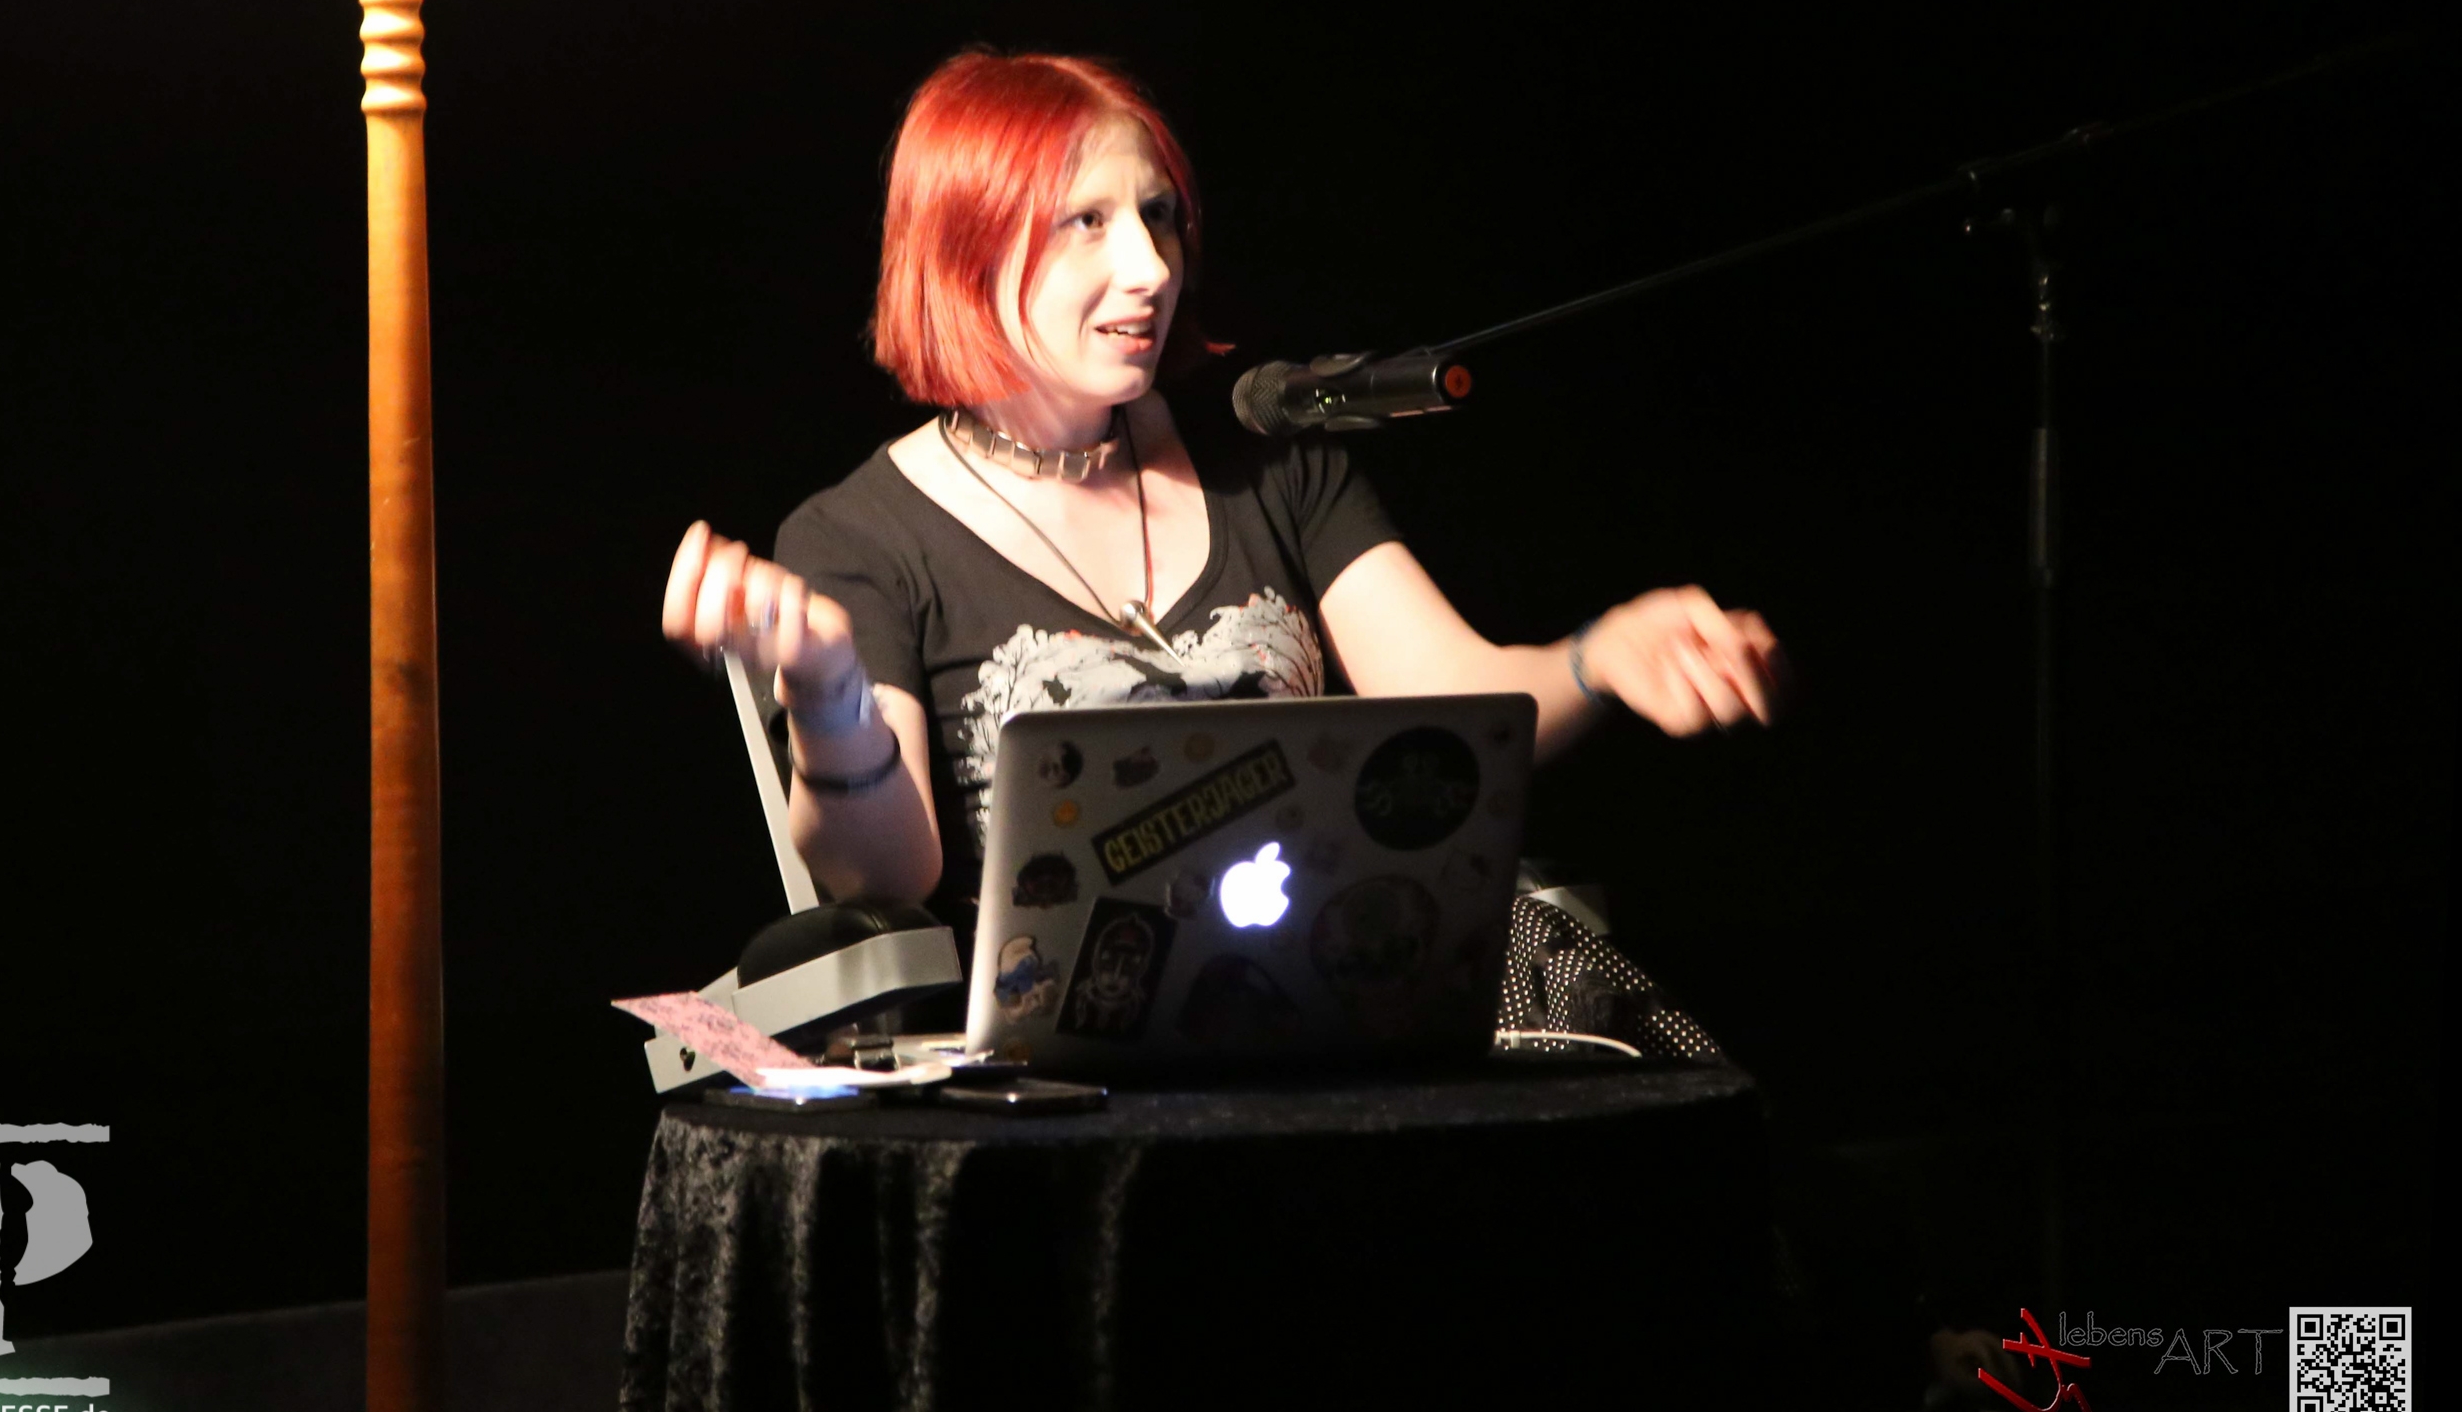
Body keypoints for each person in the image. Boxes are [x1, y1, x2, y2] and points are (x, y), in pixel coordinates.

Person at [662, 50, 1783, 935]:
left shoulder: (1267, 455)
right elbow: (882, 876)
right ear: (966, 248)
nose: (1151, 268)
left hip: (1333, 1012)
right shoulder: (860, 534)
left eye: (1158, 216)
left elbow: (1454, 706)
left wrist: (1598, 657)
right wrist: (826, 690)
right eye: (1087, 222)